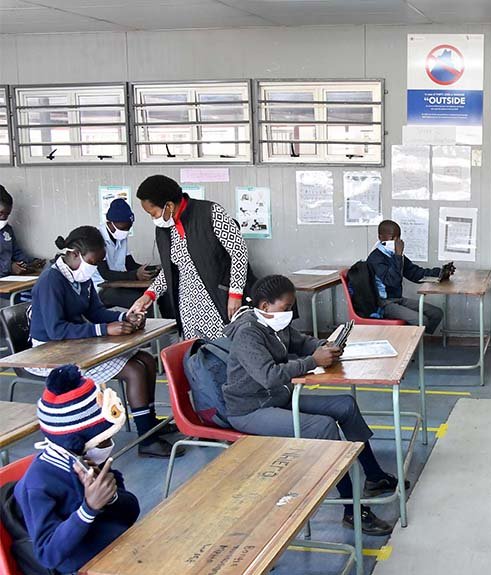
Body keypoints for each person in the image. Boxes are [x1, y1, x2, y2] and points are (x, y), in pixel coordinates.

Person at [222, 275, 400, 536]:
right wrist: (313, 361)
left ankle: (374, 477)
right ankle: (352, 509)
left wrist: (324, 346)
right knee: (322, 426)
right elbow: (269, 375)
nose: (290, 313)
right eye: (286, 308)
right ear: (264, 305)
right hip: (250, 409)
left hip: (278, 398)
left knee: (345, 405)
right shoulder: (248, 332)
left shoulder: (274, 324)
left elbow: (300, 341)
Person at [28, 226, 177, 458]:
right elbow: (56, 330)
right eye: (93, 262)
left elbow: (95, 310)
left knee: (146, 360)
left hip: (76, 344)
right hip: (50, 352)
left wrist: (124, 318)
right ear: (75, 254)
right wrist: (105, 329)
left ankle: (149, 421)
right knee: (134, 370)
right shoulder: (51, 280)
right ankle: (147, 439)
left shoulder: (80, 276)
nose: (95, 268)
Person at [13, 365, 139, 574]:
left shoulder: (87, 462)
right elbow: (48, 554)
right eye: (103, 439)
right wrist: (88, 509)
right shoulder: (38, 483)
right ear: (77, 442)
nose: (108, 444)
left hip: (118, 548)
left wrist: (112, 498)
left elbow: (130, 513)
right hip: (84, 566)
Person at [129, 175, 251, 340]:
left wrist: (235, 294)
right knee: (195, 355)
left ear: (169, 205)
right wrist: (149, 295)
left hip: (219, 300)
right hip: (187, 306)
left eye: (154, 213)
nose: (153, 219)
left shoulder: (210, 213)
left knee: (223, 351)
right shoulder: (165, 228)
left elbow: (239, 252)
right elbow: (171, 269)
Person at [367, 220, 452, 333]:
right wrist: (398, 256)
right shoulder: (375, 258)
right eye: (392, 238)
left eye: (398, 238)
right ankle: (410, 341)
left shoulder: (395, 254)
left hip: (397, 299)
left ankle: (414, 338)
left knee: (436, 313)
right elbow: (393, 282)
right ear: (380, 237)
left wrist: (441, 272)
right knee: (422, 320)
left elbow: (415, 273)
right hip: (383, 303)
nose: (396, 242)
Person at [93, 198, 171, 317]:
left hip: (118, 283)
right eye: (124, 228)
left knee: (159, 292)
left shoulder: (121, 237)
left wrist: (155, 269)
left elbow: (131, 265)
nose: (126, 231)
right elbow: (105, 274)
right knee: (142, 301)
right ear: (111, 222)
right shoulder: (97, 238)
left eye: (129, 228)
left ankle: (170, 328)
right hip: (101, 288)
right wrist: (135, 275)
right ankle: (148, 333)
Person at [0, 185, 44, 287]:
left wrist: (31, 262)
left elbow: (16, 252)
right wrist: (10, 267)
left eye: (7, 214)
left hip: (8, 280)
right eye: (0, 213)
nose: (4, 218)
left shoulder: (7, 230)